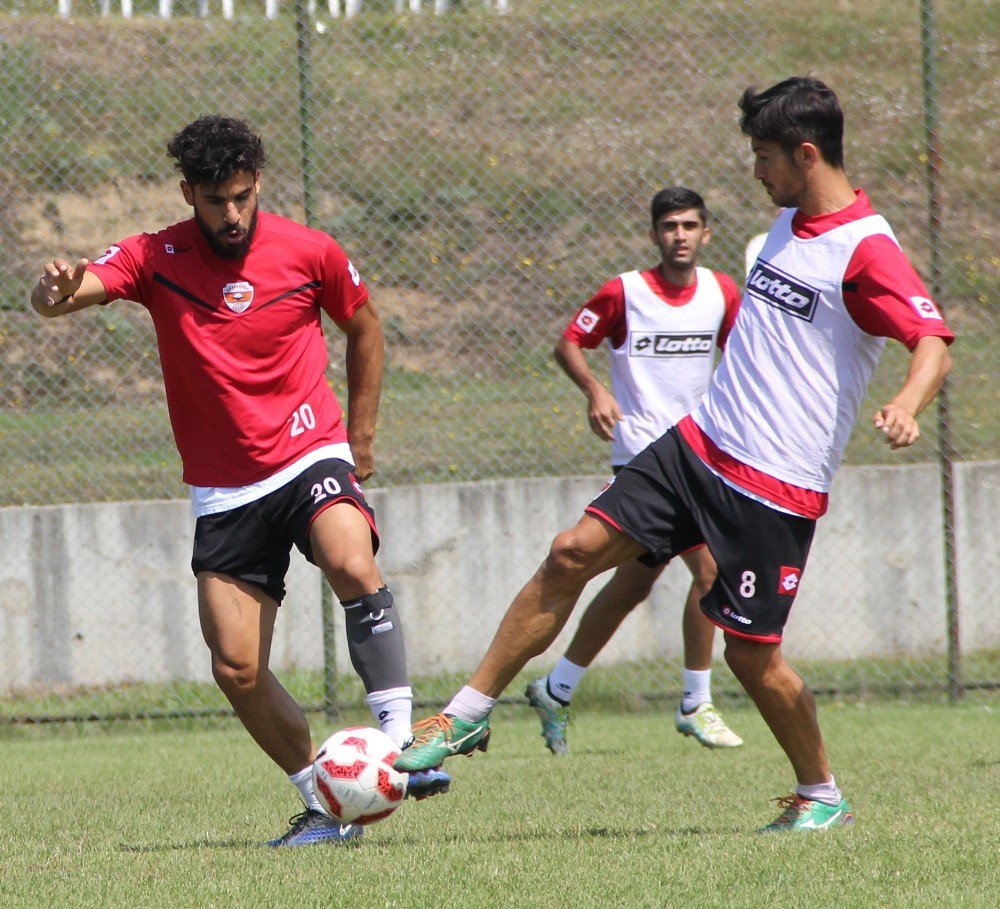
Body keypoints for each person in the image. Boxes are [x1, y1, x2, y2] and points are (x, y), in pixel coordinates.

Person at [394, 77, 955, 833]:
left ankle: (821, 791)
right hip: (697, 444)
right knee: (571, 551)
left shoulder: (866, 248)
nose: (756, 171)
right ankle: (466, 713)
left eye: (765, 157)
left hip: (773, 485)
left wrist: (906, 405)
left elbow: (932, 340)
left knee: (753, 659)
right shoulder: (786, 219)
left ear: (807, 153)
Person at [30, 115, 449, 847]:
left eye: (244, 196)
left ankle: (400, 741)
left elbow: (366, 329)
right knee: (236, 665)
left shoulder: (309, 250)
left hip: (309, 451)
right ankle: (327, 803)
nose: (232, 214)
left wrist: (362, 437)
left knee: (351, 557)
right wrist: (52, 291)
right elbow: (65, 296)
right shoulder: (154, 256)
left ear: (259, 185)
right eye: (217, 199)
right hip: (225, 488)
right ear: (187, 191)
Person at [525, 187, 744, 754]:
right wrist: (596, 388)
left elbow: (744, 358)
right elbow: (570, 342)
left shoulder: (722, 292)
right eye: (670, 225)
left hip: (700, 454)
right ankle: (696, 702)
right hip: (643, 457)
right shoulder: (624, 291)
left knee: (632, 584)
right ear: (654, 234)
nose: (680, 235)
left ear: (706, 234)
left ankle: (557, 687)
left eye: (690, 225)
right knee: (708, 571)